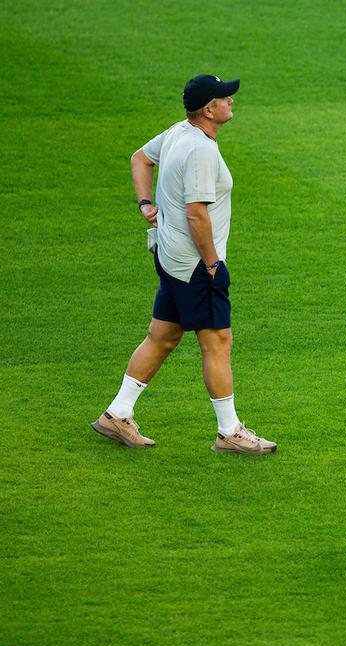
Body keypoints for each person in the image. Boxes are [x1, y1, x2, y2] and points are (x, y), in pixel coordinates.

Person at [92, 74, 276, 455]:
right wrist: (212, 265)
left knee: (163, 336)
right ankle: (230, 432)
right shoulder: (201, 151)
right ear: (209, 109)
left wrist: (146, 204)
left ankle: (117, 414)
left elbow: (140, 158)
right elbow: (197, 215)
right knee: (218, 342)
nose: (231, 102)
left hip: (169, 254)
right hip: (193, 262)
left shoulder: (179, 131)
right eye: (225, 98)